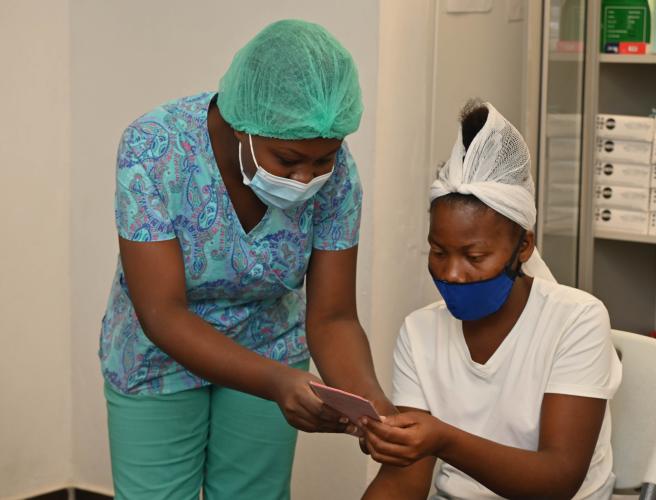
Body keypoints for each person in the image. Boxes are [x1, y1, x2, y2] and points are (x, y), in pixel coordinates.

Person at [100, 19, 393, 500]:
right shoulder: (154, 150)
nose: (306, 179)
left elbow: (334, 317)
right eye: (287, 159)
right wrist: (279, 383)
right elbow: (162, 312)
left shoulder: (337, 177)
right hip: (158, 356)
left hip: (271, 346)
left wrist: (371, 406)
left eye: (324, 160)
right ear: (242, 126)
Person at [361, 100, 622, 500]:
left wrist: (442, 440)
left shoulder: (577, 320)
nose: (451, 273)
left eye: (474, 256)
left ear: (523, 247)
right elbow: (404, 481)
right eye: (439, 252)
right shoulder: (420, 332)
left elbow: (558, 479)